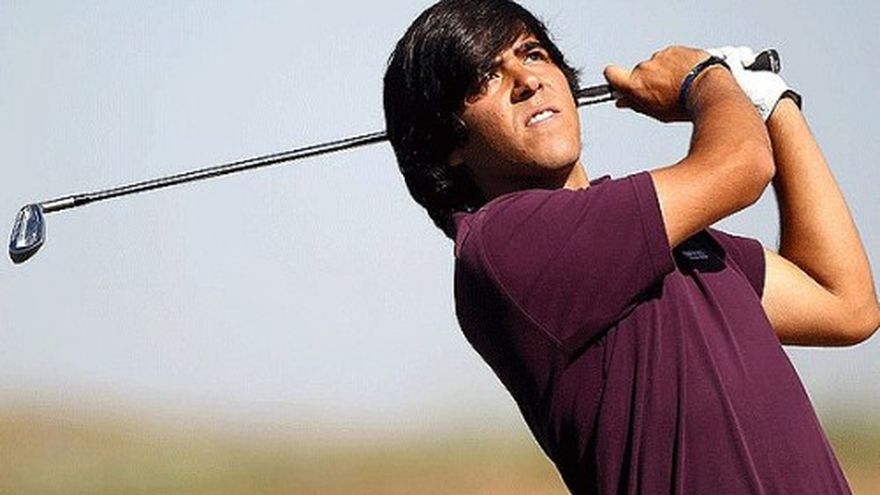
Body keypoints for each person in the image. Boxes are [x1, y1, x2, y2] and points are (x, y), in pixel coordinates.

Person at [383, 0, 880, 493]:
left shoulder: (672, 240)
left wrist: (773, 102)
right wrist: (704, 78)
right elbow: (742, 167)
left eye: (532, 54)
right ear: (448, 142)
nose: (527, 80)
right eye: (484, 77)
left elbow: (846, 305)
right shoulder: (504, 243)